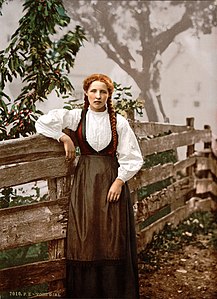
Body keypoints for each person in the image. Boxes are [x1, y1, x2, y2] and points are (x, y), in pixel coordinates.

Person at [35, 73, 143, 298]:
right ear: (86, 93)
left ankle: (114, 292)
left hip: (111, 181)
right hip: (85, 183)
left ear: (108, 95)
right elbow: (43, 122)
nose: (98, 95)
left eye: (103, 91)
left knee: (112, 233)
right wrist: (63, 138)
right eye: (94, 91)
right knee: (86, 233)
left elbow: (132, 156)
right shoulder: (77, 116)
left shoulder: (118, 122)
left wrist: (120, 181)